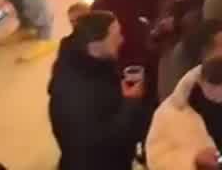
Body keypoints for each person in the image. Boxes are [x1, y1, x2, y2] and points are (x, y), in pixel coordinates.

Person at [48, 10, 150, 170]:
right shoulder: (79, 94)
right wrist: (131, 103)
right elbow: (105, 143)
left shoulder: (83, 64)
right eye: (116, 36)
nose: (122, 40)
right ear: (95, 45)